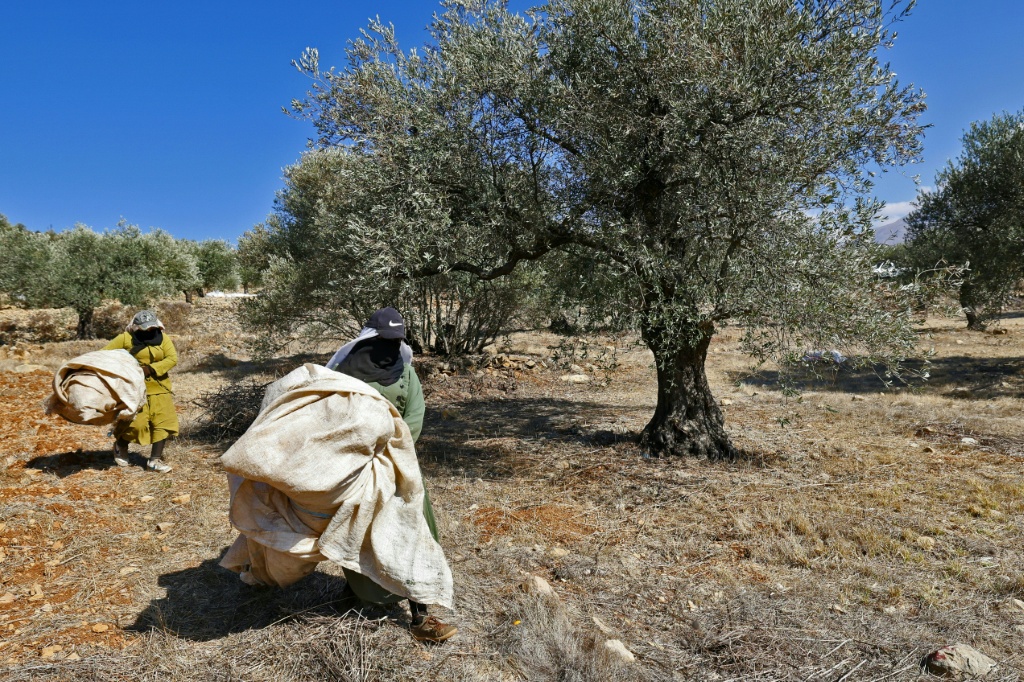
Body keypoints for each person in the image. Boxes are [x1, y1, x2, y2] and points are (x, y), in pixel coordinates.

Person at [326, 307, 456, 643]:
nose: (389, 349)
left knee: (411, 531)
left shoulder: (405, 371)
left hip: (398, 468)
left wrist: (391, 449)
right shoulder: (342, 373)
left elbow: (415, 413)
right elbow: (330, 415)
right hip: (358, 469)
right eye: (384, 341)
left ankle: (420, 615)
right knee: (359, 534)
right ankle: (355, 592)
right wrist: (364, 452)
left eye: (394, 342)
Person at [103, 309, 178, 473]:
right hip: (134, 389)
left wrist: (151, 369)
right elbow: (105, 356)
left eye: (151, 328)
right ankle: (120, 444)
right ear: (136, 327)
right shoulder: (125, 338)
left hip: (160, 388)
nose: (149, 331)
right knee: (136, 424)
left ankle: (154, 462)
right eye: (144, 329)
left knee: (163, 423)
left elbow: (172, 358)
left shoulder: (163, 338)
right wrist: (127, 369)